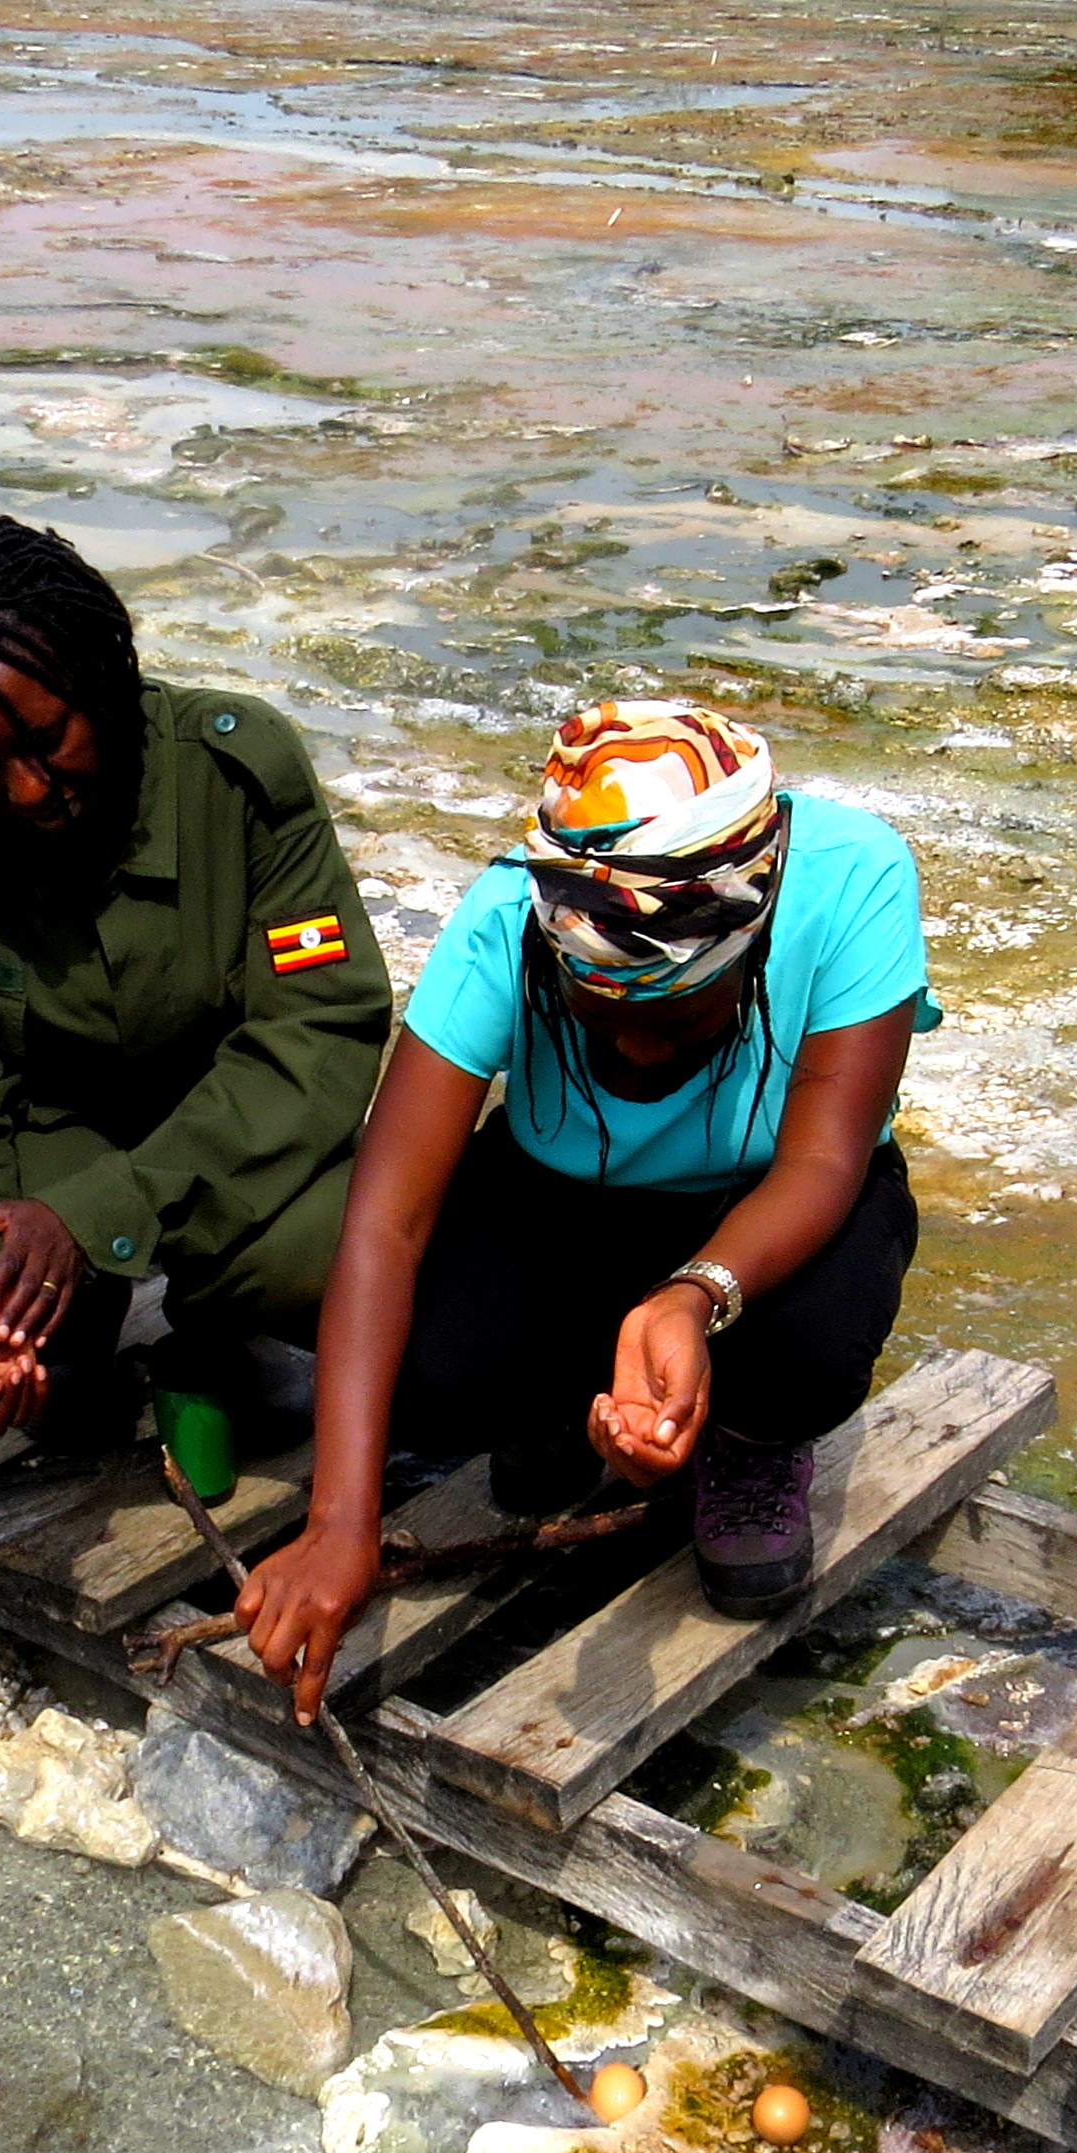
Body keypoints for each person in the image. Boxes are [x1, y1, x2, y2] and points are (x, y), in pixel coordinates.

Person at [234, 700, 932, 1713]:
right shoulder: (502, 920)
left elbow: (822, 1166)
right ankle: (569, 1413)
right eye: (603, 1019)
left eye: (677, 1020)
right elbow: (385, 1222)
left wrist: (692, 1296)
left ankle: (747, 1446)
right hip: (561, 1198)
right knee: (428, 1373)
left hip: (770, 1200)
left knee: (811, 1350)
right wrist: (340, 1517)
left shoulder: (852, 878)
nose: (640, 1051)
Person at [0, 516, 389, 1457]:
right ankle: (79, 1341)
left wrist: (100, 1218)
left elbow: (317, 1029)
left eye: (48, 737)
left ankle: (218, 1326)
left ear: (104, 675)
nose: (26, 789)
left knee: (334, 1267)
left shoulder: (237, 771)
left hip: (241, 1140)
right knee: (3, 1341)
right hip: (46, 1140)